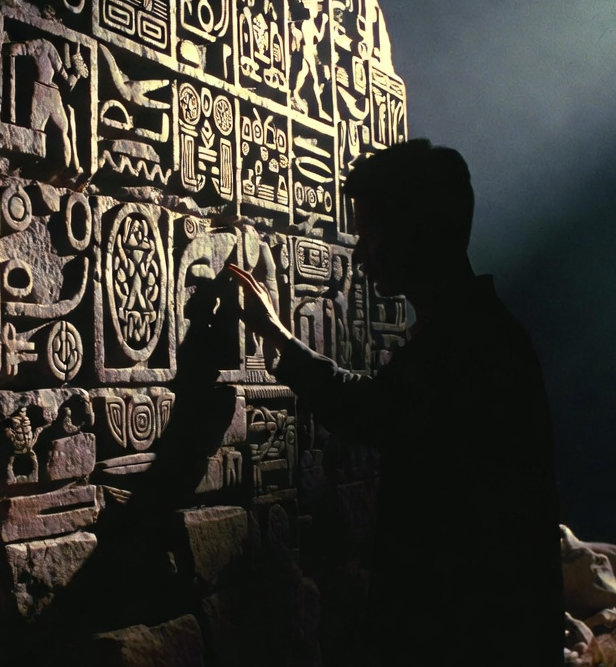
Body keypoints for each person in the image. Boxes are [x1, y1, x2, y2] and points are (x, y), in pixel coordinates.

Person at [225, 138, 565, 665]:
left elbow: (376, 410)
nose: (359, 256)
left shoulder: (471, 344)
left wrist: (279, 339)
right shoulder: (475, 333)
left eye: (370, 234)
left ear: (416, 232)